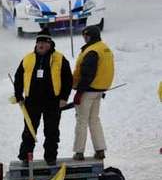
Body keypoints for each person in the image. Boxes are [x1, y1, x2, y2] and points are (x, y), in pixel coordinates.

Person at [13, 33, 73, 166]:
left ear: (50, 44)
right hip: (32, 102)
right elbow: (18, 78)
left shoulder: (60, 59)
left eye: (44, 42)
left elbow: (68, 80)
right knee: (29, 130)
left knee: (51, 131)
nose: (40, 45)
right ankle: (25, 157)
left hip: (52, 102)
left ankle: (50, 157)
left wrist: (64, 97)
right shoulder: (28, 59)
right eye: (38, 42)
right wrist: (18, 96)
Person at [72, 24, 115, 160]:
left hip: (88, 91)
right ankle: (100, 150)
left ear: (89, 36)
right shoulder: (105, 48)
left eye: (85, 35)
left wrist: (79, 91)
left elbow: (87, 74)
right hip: (99, 90)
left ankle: (79, 152)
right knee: (94, 120)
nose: (84, 38)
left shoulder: (92, 51)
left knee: (82, 121)